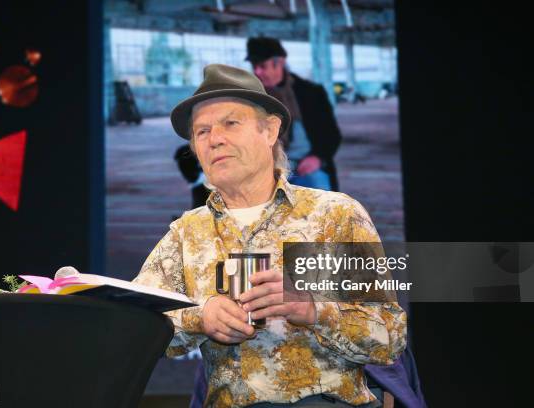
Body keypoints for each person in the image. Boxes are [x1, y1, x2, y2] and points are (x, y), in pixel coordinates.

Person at [134, 64, 406, 407]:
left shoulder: (333, 215)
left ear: (270, 130)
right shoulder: (187, 233)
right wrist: (200, 317)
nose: (215, 138)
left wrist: (311, 310)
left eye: (231, 123)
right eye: (202, 132)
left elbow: (389, 336)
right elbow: (137, 325)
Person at [246, 36, 342, 191]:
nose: (257, 72)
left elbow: (332, 135)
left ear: (280, 63)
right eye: (254, 66)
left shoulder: (311, 93)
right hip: (267, 171)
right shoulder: (250, 98)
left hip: (306, 167)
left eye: (263, 66)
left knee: (323, 205)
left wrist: (317, 158)